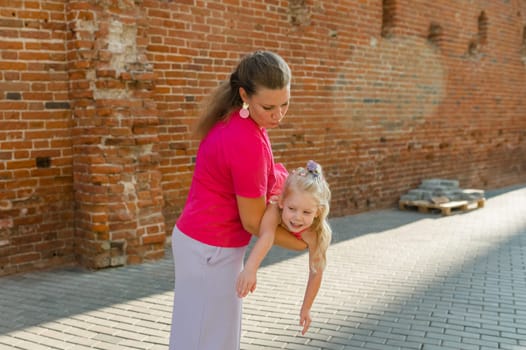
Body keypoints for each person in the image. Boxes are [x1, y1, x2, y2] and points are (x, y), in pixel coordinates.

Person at [169, 51, 307, 350]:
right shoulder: (246, 139)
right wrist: (305, 243)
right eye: (268, 106)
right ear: (244, 94)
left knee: (201, 334)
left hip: (202, 244)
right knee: (206, 340)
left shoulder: (239, 120)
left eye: (285, 103)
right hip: (210, 250)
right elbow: (253, 220)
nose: (278, 114)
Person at [236, 160, 332, 335]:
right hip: (279, 190)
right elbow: (267, 236)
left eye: (306, 212)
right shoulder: (275, 208)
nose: (297, 218)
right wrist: (250, 269)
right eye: (292, 209)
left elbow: (316, 272)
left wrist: (306, 308)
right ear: (282, 202)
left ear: (317, 212)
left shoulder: (315, 235)